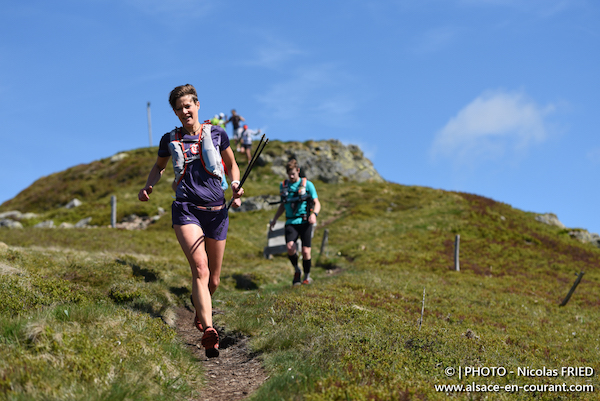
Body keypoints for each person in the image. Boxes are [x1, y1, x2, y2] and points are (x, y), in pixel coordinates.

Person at [138, 84, 244, 358]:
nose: (184, 111)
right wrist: (149, 186)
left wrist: (235, 184)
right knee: (200, 268)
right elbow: (159, 167)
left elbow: (232, 164)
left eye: (188, 106)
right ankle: (209, 330)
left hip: (217, 211)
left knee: (215, 280)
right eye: (179, 108)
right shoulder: (168, 140)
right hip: (186, 209)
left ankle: (200, 306)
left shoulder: (217, 133)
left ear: (197, 105)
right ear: (174, 112)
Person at [270, 159, 321, 285]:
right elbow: (283, 205)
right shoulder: (283, 186)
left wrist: (314, 214)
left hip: (305, 221)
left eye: (293, 173)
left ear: (298, 171)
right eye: (289, 174)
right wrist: (275, 219)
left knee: (305, 251)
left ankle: (307, 276)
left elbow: (317, 203)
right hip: (291, 222)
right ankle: (297, 270)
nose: (291, 176)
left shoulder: (308, 184)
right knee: (290, 247)